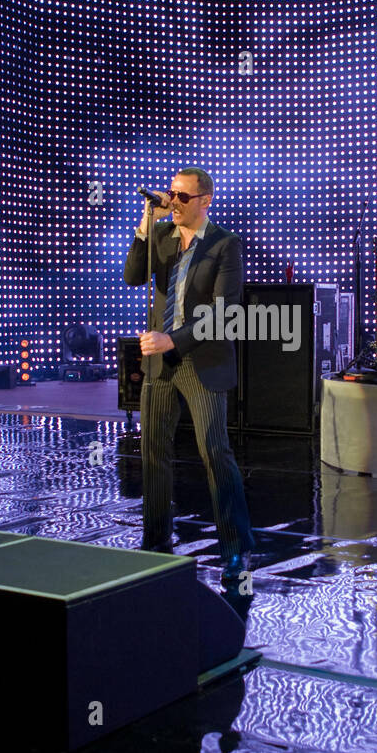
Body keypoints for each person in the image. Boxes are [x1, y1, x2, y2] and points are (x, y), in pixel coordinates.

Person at [123, 167, 254, 585]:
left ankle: (235, 547)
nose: (173, 202)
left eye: (183, 197)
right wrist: (146, 224)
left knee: (214, 451)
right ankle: (156, 542)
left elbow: (224, 312)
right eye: (171, 194)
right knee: (154, 453)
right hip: (160, 364)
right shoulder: (160, 239)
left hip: (201, 359)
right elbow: (131, 277)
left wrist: (173, 340)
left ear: (205, 201)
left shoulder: (224, 245)